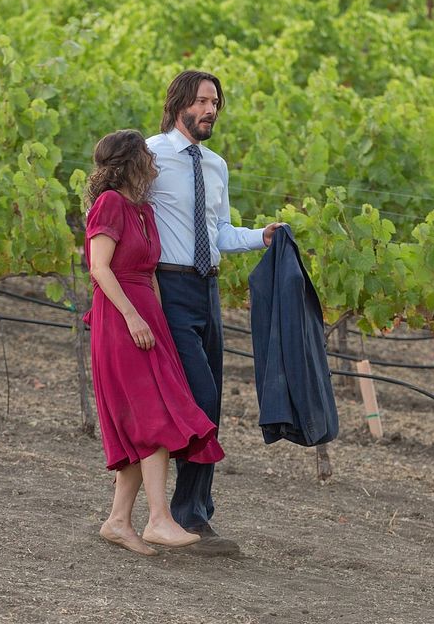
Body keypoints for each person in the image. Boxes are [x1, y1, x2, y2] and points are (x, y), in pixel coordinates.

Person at [147, 70, 284, 556]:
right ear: (181, 103)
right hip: (168, 287)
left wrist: (260, 236)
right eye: (203, 101)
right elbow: (124, 216)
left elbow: (221, 231)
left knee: (213, 404)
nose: (211, 110)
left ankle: (194, 515)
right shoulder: (150, 155)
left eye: (216, 103)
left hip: (208, 290)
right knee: (197, 399)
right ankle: (183, 516)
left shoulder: (216, 165)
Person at [83, 128, 226, 556]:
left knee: (146, 420)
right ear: (129, 161)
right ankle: (160, 520)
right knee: (153, 417)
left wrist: (157, 323)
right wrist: (132, 317)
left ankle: (118, 521)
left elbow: (150, 272)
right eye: (146, 153)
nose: (154, 158)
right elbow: (100, 268)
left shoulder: (142, 210)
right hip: (121, 318)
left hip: (148, 318)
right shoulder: (110, 204)